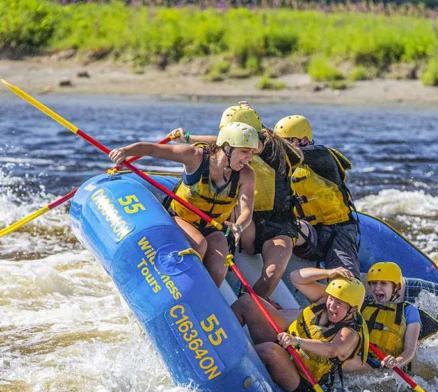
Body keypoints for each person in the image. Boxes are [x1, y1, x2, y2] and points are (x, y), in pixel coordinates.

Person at [169, 104, 303, 298]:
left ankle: (248, 304)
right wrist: (188, 139)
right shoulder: (231, 147)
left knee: (272, 273)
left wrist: (190, 138)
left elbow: (232, 142)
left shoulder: (267, 145)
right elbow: (221, 143)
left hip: (277, 223)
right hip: (249, 220)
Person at [109, 122, 258, 287]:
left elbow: (246, 212)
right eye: (245, 151)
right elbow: (152, 149)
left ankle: (202, 300)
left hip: (213, 227)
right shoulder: (194, 156)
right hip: (181, 218)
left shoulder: (246, 174)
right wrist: (124, 151)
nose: (250, 158)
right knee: (199, 244)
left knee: (219, 268)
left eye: (252, 152)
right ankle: (175, 286)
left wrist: (239, 226)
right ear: (227, 148)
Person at [231, 267, 369, 392]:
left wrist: (296, 341)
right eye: (332, 299)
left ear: (352, 309)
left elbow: (332, 350)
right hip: (285, 342)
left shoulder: (351, 333)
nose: (332, 306)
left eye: (339, 304)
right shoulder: (325, 298)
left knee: (269, 350)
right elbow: (296, 277)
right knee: (248, 302)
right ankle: (221, 337)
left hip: (301, 378)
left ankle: (229, 363)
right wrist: (328, 272)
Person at [273, 115, 361, 278]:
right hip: (308, 232)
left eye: (284, 142)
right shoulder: (282, 166)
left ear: (304, 140)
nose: (278, 148)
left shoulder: (322, 155)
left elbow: (294, 153)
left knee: (345, 280)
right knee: (286, 226)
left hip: (338, 232)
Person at [343, 262, 424, 372]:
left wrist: (397, 362)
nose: (377, 288)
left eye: (383, 284)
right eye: (373, 283)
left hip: (382, 367)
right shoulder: (361, 303)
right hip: (358, 357)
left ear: (396, 286)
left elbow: (409, 351)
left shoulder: (409, 311)